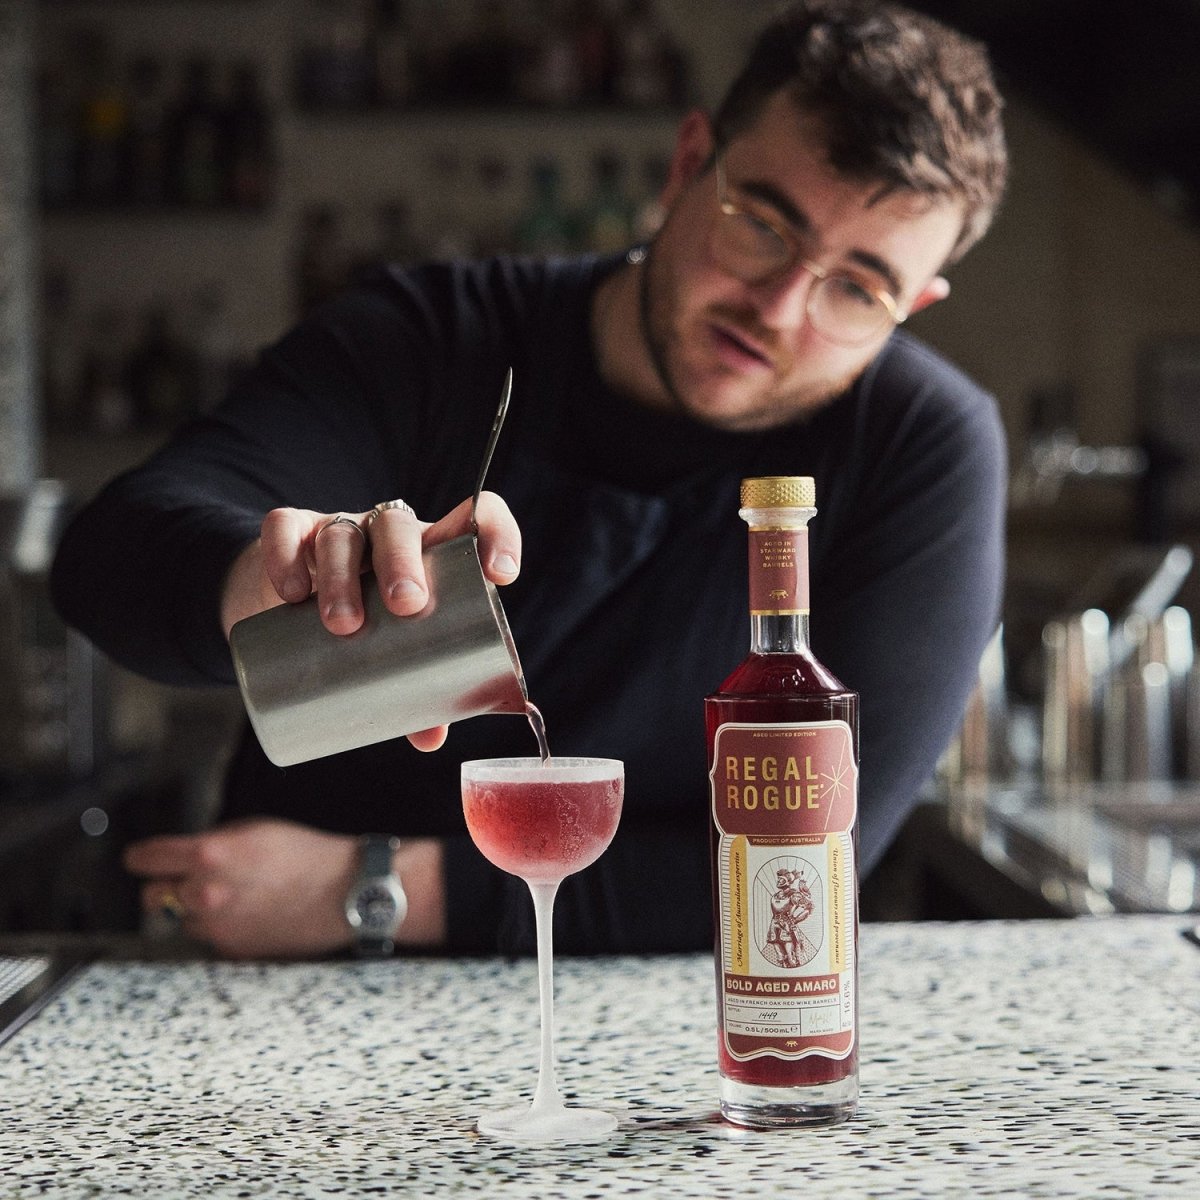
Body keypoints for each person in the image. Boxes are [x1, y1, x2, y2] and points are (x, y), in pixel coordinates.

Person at [51, 0, 1009, 960]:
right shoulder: (434, 339)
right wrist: (260, 584)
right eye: (762, 224)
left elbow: (808, 866)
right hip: (303, 1004)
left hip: (649, 1022)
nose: (779, 308)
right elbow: (107, 555)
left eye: (858, 287)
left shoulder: (920, 446)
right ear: (688, 163)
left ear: (913, 305)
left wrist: (374, 886)